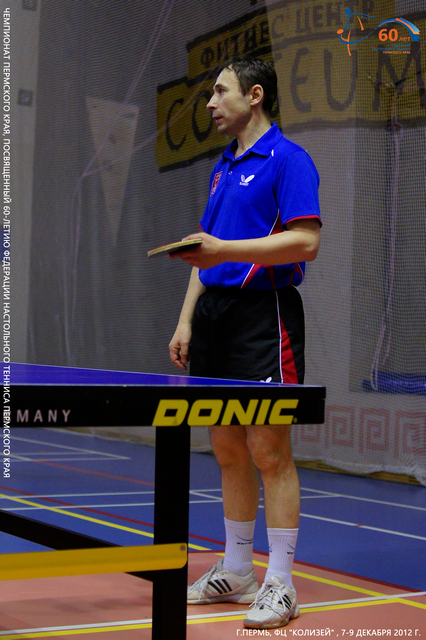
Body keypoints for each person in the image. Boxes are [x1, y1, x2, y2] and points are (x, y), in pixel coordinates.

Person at [168, 55, 321, 630]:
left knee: (268, 450)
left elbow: (306, 242)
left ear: (254, 95)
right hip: (215, 318)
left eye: (220, 91)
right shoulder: (223, 167)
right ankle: (237, 571)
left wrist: (224, 252)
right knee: (227, 446)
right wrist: (186, 320)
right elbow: (203, 253)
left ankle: (280, 582)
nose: (210, 103)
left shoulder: (288, 159)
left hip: (264, 315)